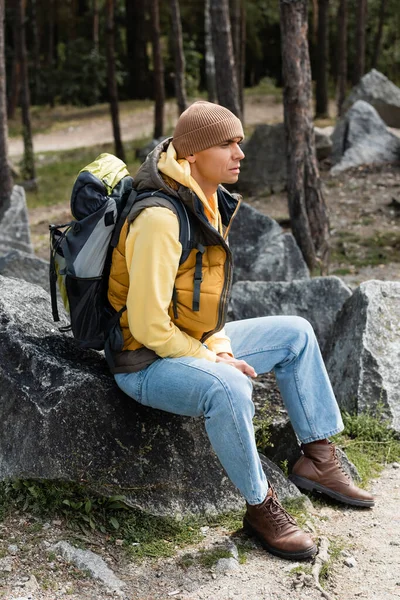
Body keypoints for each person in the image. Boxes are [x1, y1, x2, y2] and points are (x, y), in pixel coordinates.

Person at [107, 101, 374, 561]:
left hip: (184, 343)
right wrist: (216, 358)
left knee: (295, 333)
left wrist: (219, 344)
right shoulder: (159, 218)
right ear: (192, 153)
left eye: (240, 143)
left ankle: (319, 460)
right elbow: (150, 325)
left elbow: (202, 309)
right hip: (144, 363)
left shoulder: (203, 197)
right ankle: (260, 507)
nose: (239, 154)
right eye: (227, 144)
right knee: (229, 386)